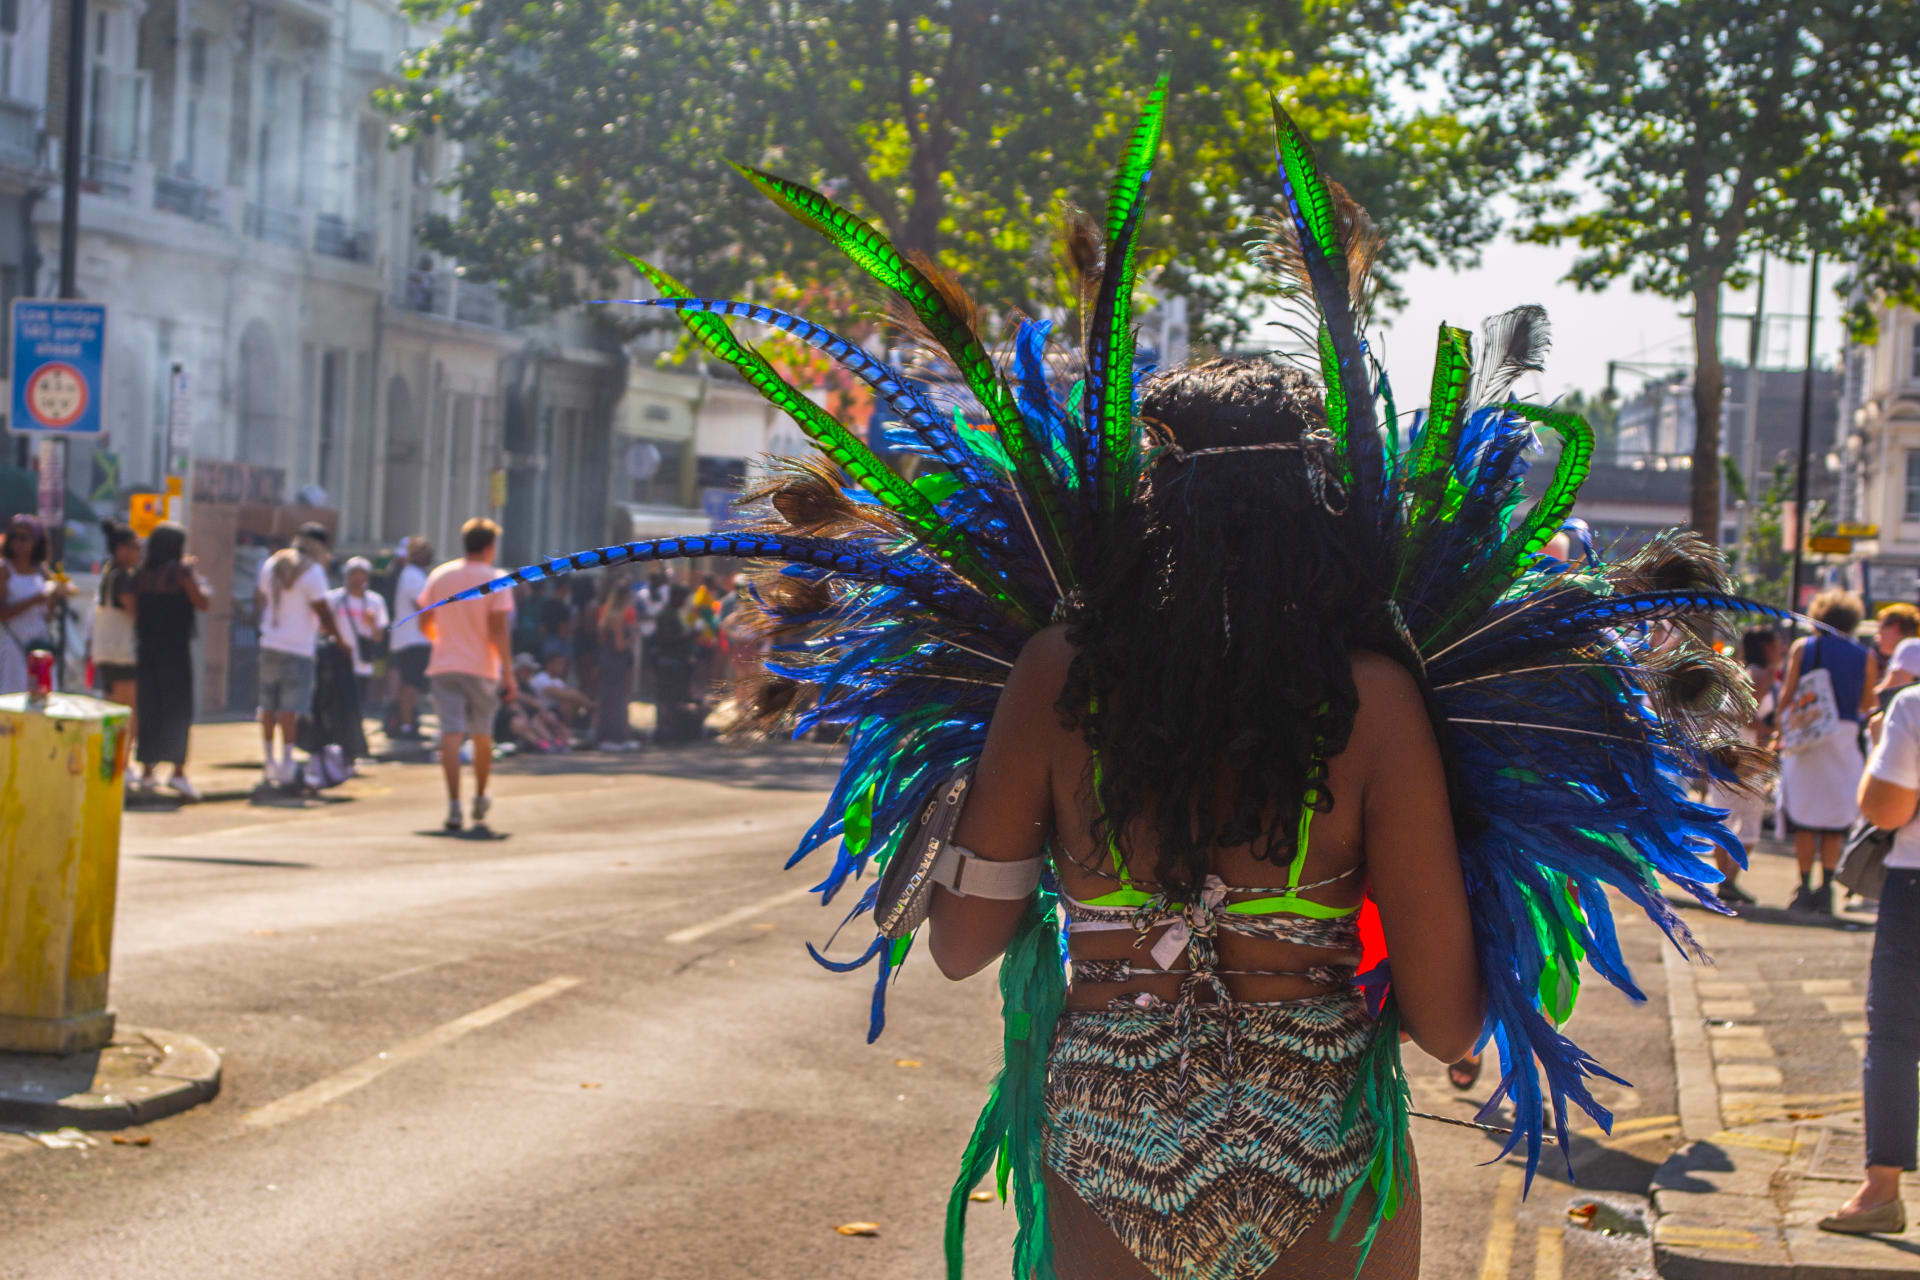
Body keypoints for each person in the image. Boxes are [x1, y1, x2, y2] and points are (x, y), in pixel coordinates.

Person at [1823, 682, 1920, 1235]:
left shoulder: (1912, 706)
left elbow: (1886, 809)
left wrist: (1880, 738)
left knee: (1895, 1038)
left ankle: (1881, 1191)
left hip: (1916, 882)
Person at [1774, 590, 1870, 914]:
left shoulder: (1806, 648)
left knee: (1806, 820)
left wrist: (1779, 730)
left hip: (1807, 738)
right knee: (1834, 822)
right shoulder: (1863, 654)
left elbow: (1787, 697)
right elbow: (1866, 704)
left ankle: (1803, 887)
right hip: (1844, 739)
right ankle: (1826, 888)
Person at [418, 518, 515, 833]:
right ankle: (481, 794)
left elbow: (425, 619)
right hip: (480, 667)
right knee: (482, 734)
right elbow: (498, 629)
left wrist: (442, 640)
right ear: (490, 547)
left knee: (451, 733)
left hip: (444, 664)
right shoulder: (496, 579)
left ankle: (453, 804)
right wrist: (509, 673)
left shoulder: (441, 575)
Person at [254, 522, 347, 788]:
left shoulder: (272, 564)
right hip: (299, 648)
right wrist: (339, 639)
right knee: (290, 708)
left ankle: (269, 760)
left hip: (269, 642)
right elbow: (323, 610)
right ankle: (287, 762)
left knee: (268, 705)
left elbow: (261, 597)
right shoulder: (313, 571)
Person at [132, 523, 210, 796]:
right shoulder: (180, 573)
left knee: (149, 706)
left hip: (147, 647)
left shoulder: (142, 574)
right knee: (177, 709)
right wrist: (193, 574)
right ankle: (177, 770)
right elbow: (202, 602)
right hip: (175, 649)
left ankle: (147, 770)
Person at [1707, 627, 1784, 905]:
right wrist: (1775, 729)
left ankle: (1722, 880)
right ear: (1766, 647)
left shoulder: (1742, 672)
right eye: (1777, 643)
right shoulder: (1761, 675)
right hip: (1745, 754)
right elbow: (1746, 716)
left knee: (1723, 816)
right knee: (1748, 821)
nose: (1782, 647)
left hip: (1726, 751)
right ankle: (1728, 881)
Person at [324, 556, 390, 762]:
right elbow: (322, 628)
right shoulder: (333, 599)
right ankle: (332, 745)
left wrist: (371, 624)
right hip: (336, 661)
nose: (357, 580)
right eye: (353, 575)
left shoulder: (375, 601)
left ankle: (351, 748)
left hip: (361, 663)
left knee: (357, 707)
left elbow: (379, 636)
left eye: (362, 576)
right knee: (333, 705)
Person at [0, 514, 69, 694]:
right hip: (12, 645)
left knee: (41, 696)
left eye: (24, 538)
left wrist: (54, 597)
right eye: (14, 537)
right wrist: (33, 600)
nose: (18, 543)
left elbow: (47, 615)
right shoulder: (4, 569)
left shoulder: (40, 569)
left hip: (39, 643)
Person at [92, 519, 142, 756]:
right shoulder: (121, 576)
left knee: (114, 707)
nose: (138, 552)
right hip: (121, 653)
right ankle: (120, 760)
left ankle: (114, 758)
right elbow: (134, 611)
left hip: (107, 651)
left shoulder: (109, 571)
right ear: (121, 548)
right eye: (135, 546)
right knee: (126, 709)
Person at [386, 536, 435, 739]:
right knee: (410, 684)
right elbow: (422, 607)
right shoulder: (413, 575)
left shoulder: (415, 574)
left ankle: (408, 721)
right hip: (412, 639)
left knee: (411, 683)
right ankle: (406, 725)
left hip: (412, 639)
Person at [594, 568, 640, 750]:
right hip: (617, 661)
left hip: (606, 659)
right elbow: (620, 644)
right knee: (617, 699)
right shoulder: (618, 617)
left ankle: (606, 736)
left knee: (607, 698)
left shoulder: (606, 614)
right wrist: (632, 637)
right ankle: (614, 737)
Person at [1864, 604, 1920, 718]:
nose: (1877, 637)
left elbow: (1885, 693)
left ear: (1895, 628)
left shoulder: (1909, 648)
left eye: (1880, 630)